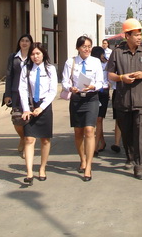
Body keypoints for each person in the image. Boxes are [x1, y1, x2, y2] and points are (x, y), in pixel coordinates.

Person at [107, 18, 142, 180]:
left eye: (140, 34)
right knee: (127, 132)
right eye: (136, 34)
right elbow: (110, 74)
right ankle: (130, 156)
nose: (139, 37)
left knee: (140, 134)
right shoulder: (117, 52)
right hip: (122, 100)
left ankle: (140, 166)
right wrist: (121, 77)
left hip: (141, 100)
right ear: (127, 36)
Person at [62, 36, 104, 181]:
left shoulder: (96, 61)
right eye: (84, 46)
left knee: (89, 130)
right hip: (77, 98)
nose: (87, 49)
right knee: (78, 131)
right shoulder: (70, 62)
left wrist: (94, 86)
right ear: (78, 48)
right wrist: (70, 88)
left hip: (91, 98)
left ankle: (89, 167)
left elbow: (101, 81)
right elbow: (65, 81)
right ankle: (82, 159)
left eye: (89, 46)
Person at [18, 44, 57, 184]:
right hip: (30, 105)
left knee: (45, 140)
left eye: (38, 54)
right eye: (33, 54)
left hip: (44, 105)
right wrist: (25, 109)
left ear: (43, 54)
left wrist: (42, 107)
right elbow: (22, 89)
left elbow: (53, 90)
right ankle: (29, 172)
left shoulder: (50, 69)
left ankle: (42, 168)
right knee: (29, 139)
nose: (35, 57)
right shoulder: (26, 69)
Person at [2, 34, 33, 158]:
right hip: (16, 92)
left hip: (30, 93)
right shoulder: (13, 57)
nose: (24, 43)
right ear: (19, 43)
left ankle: (27, 144)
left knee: (28, 119)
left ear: (30, 43)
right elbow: (9, 76)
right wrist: (7, 94)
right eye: (22, 41)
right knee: (17, 120)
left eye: (27, 41)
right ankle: (22, 137)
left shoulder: (33, 56)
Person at [91, 45, 110, 155]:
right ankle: (102, 142)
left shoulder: (106, 64)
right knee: (96, 119)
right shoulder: (92, 64)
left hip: (104, 92)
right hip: (94, 91)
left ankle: (95, 145)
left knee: (99, 119)